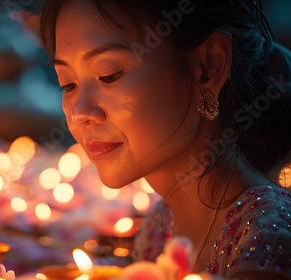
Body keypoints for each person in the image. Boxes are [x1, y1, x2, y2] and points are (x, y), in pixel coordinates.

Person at [38, 0, 291, 278]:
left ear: (209, 67)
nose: (80, 112)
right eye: (68, 84)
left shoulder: (268, 239)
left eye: (109, 75)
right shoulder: (158, 226)